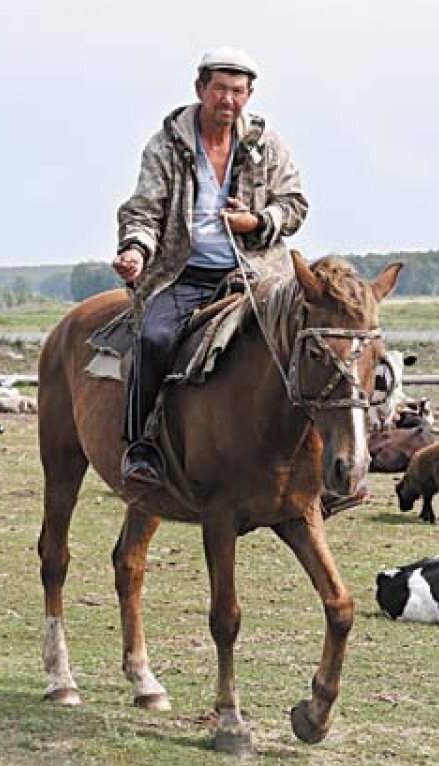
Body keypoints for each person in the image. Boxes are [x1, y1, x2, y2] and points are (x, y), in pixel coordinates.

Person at [112, 46, 308, 486]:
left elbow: (294, 205)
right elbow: (144, 210)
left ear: (250, 95)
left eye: (237, 91)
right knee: (155, 337)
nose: (228, 100)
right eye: (219, 89)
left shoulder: (267, 145)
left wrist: (256, 221)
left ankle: (318, 456)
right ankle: (141, 444)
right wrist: (136, 252)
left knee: (308, 340)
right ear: (200, 89)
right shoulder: (167, 144)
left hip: (257, 272)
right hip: (183, 273)